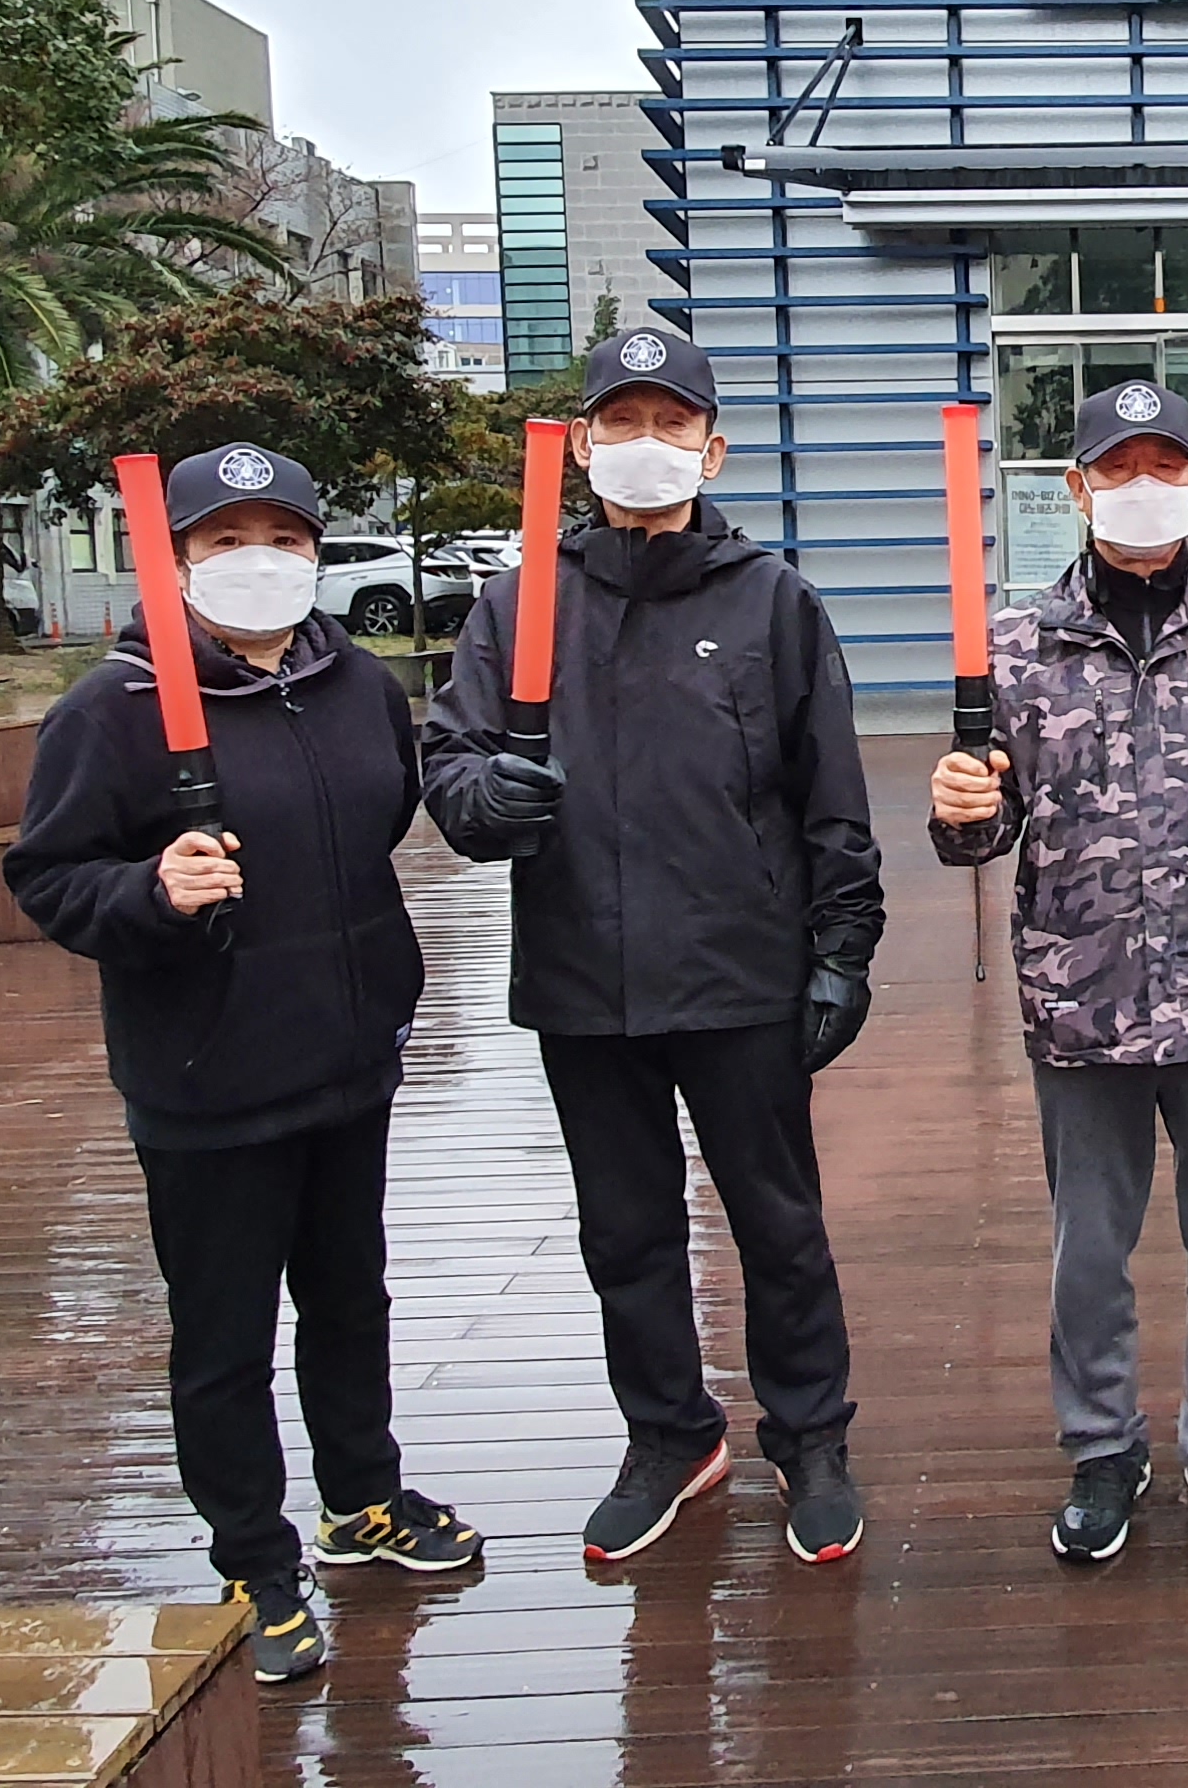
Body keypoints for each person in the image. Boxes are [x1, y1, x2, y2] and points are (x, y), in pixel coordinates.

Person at [7, 441, 480, 1687]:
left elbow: (379, 822)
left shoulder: (358, 686)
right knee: (224, 1334)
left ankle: (362, 1496)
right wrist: (149, 890)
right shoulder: (111, 710)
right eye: (225, 543)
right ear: (175, 561)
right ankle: (250, 1555)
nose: (257, 562)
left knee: (351, 1298)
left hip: (348, 1057)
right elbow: (49, 875)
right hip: (208, 1077)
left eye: (283, 541)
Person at [423, 329, 887, 1567]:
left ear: (710, 448)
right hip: (584, 974)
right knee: (624, 1231)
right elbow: (452, 764)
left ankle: (811, 1436)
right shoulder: (523, 603)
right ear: (580, 445)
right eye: (620, 422)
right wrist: (484, 799)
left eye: (669, 423)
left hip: (742, 971)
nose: (645, 444)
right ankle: (669, 1434)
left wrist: (843, 946)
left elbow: (831, 793)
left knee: (777, 1222)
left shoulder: (772, 602)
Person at [928, 380, 1188, 1567]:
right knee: (1089, 1253)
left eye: (1166, 464)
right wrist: (959, 812)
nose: (1143, 485)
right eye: (1118, 467)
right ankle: (1103, 1446)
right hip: (1084, 998)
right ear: (1078, 487)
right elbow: (985, 828)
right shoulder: (1020, 645)